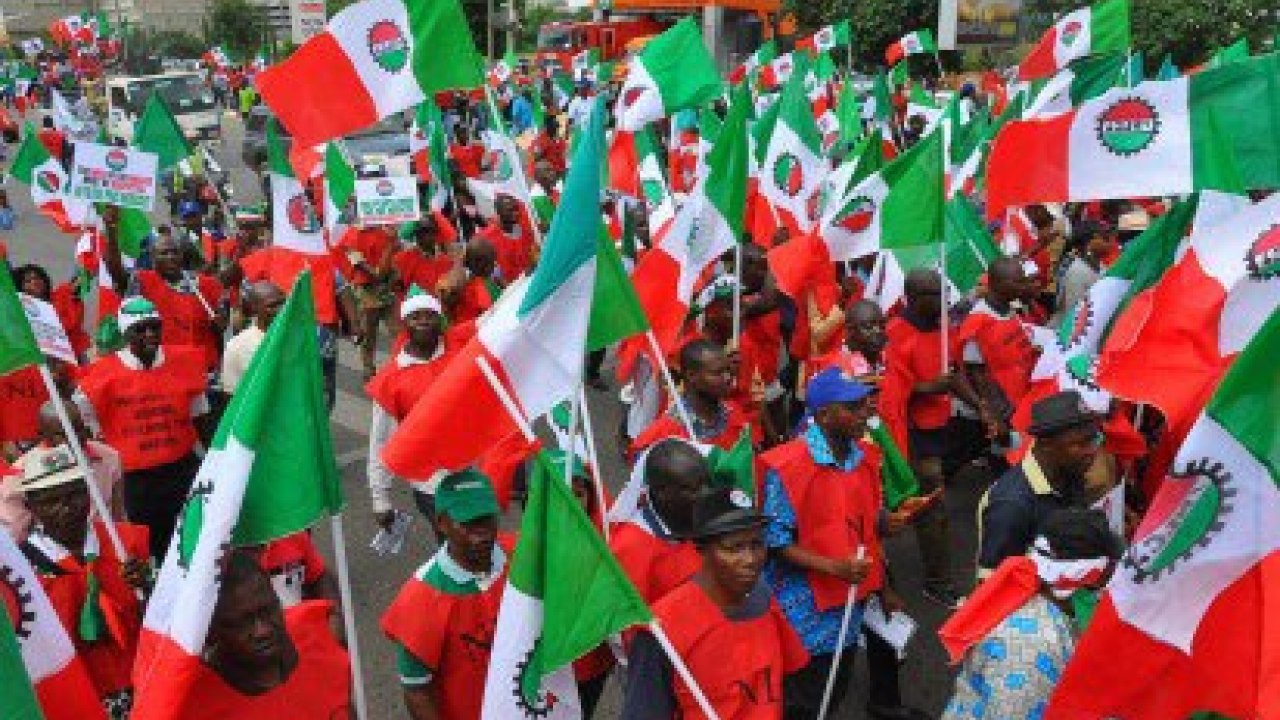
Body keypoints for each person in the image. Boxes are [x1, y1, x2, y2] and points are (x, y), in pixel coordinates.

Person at [759, 369, 890, 719]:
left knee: (833, 694)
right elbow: (775, 542)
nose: (865, 413)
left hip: (849, 606)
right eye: (853, 407)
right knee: (801, 702)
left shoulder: (865, 458)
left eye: (865, 405)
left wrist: (883, 584)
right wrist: (834, 567)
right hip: (803, 615)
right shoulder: (787, 466)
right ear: (822, 415)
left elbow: (866, 529)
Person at [621, 487, 810, 719]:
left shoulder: (762, 596)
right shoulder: (661, 632)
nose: (750, 560)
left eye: (756, 544)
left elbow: (787, 680)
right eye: (734, 548)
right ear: (701, 550)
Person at [940, 509, 1123, 719]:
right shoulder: (1028, 656)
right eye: (1105, 581)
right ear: (1080, 581)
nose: (1107, 591)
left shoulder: (1040, 600)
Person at [16, 444, 152, 717]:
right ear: (31, 506)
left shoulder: (126, 543)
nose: (66, 508)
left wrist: (146, 586)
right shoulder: (22, 572)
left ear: (89, 493)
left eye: (74, 495)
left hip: (141, 684)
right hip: (77, 696)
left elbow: (162, 619)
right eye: (50, 500)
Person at [79, 298, 210, 560]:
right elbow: (87, 425)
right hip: (135, 482)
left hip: (181, 470)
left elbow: (201, 416)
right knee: (147, 545)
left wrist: (213, 460)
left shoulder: (185, 362)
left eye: (154, 327)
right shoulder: (99, 377)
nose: (150, 334)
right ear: (126, 334)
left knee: (189, 539)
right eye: (140, 329)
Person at [381, 470, 512, 720]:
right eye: (469, 522)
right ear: (441, 523)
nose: (482, 532)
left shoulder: (518, 556)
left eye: (487, 519)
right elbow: (417, 691)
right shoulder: (420, 598)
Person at [171, 549, 352, 718]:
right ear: (210, 632)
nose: (263, 631)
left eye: (267, 610)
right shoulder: (195, 705)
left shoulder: (318, 636)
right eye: (241, 622)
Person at [976, 391, 1101, 578]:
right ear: (1046, 445)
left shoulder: (1069, 473)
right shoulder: (1012, 506)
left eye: (1093, 440)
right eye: (1080, 444)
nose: (1092, 451)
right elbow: (993, 588)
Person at [102, 209, 227, 375]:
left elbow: (220, 326)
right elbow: (116, 271)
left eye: (174, 252)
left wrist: (221, 323)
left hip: (204, 370)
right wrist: (111, 231)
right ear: (153, 259)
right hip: (163, 370)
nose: (170, 257)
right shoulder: (143, 281)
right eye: (163, 253)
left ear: (182, 256)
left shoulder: (206, 285)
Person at [367, 287, 452, 531]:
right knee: (455, 544)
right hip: (430, 484)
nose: (423, 321)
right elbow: (381, 440)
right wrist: (380, 499)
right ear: (405, 323)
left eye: (429, 315)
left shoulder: (457, 356)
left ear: (439, 319)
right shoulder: (389, 379)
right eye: (416, 316)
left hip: (470, 473)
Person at [609, 439, 708, 605]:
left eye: (705, 483)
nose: (704, 494)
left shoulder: (702, 517)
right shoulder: (630, 548)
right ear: (661, 491)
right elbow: (630, 621)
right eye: (691, 489)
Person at [954, 257, 1040, 441]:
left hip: (1020, 396)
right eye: (1018, 281)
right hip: (1003, 406)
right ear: (999, 284)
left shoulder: (1008, 310)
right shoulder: (978, 322)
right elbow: (977, 374)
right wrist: (996, 416)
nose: (1023, 285)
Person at [631, 340, 757, 454]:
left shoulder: (733, 411)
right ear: (691, 376)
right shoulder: (664, 435)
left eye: (728, 370)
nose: (728, 377)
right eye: (718, 373)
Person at [340, 223, 398, 379]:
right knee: (368, 334)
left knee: (398, 331)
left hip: (388, 288)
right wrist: (379, 274)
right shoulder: (353, 234)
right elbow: (363, 267)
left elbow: (397, 254)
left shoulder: (386, 228)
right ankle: (369, 370)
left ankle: (401, 367)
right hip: (366, 291)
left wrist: (394, 241)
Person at [221, 281, 285, 395]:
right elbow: (231, 397)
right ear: (254, 308)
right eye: (272, 305)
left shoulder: (298, 338)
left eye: (283, 303)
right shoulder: (236, 347)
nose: (281, 309)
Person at [477, 194, 535, 284]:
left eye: (516, 208)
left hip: (532, 279)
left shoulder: (525, 228)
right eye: (509, 210)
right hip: (513, 288)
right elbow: (491, 273)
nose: (515, 213)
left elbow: (533, 254)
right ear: (499, 212)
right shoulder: (487, 238)